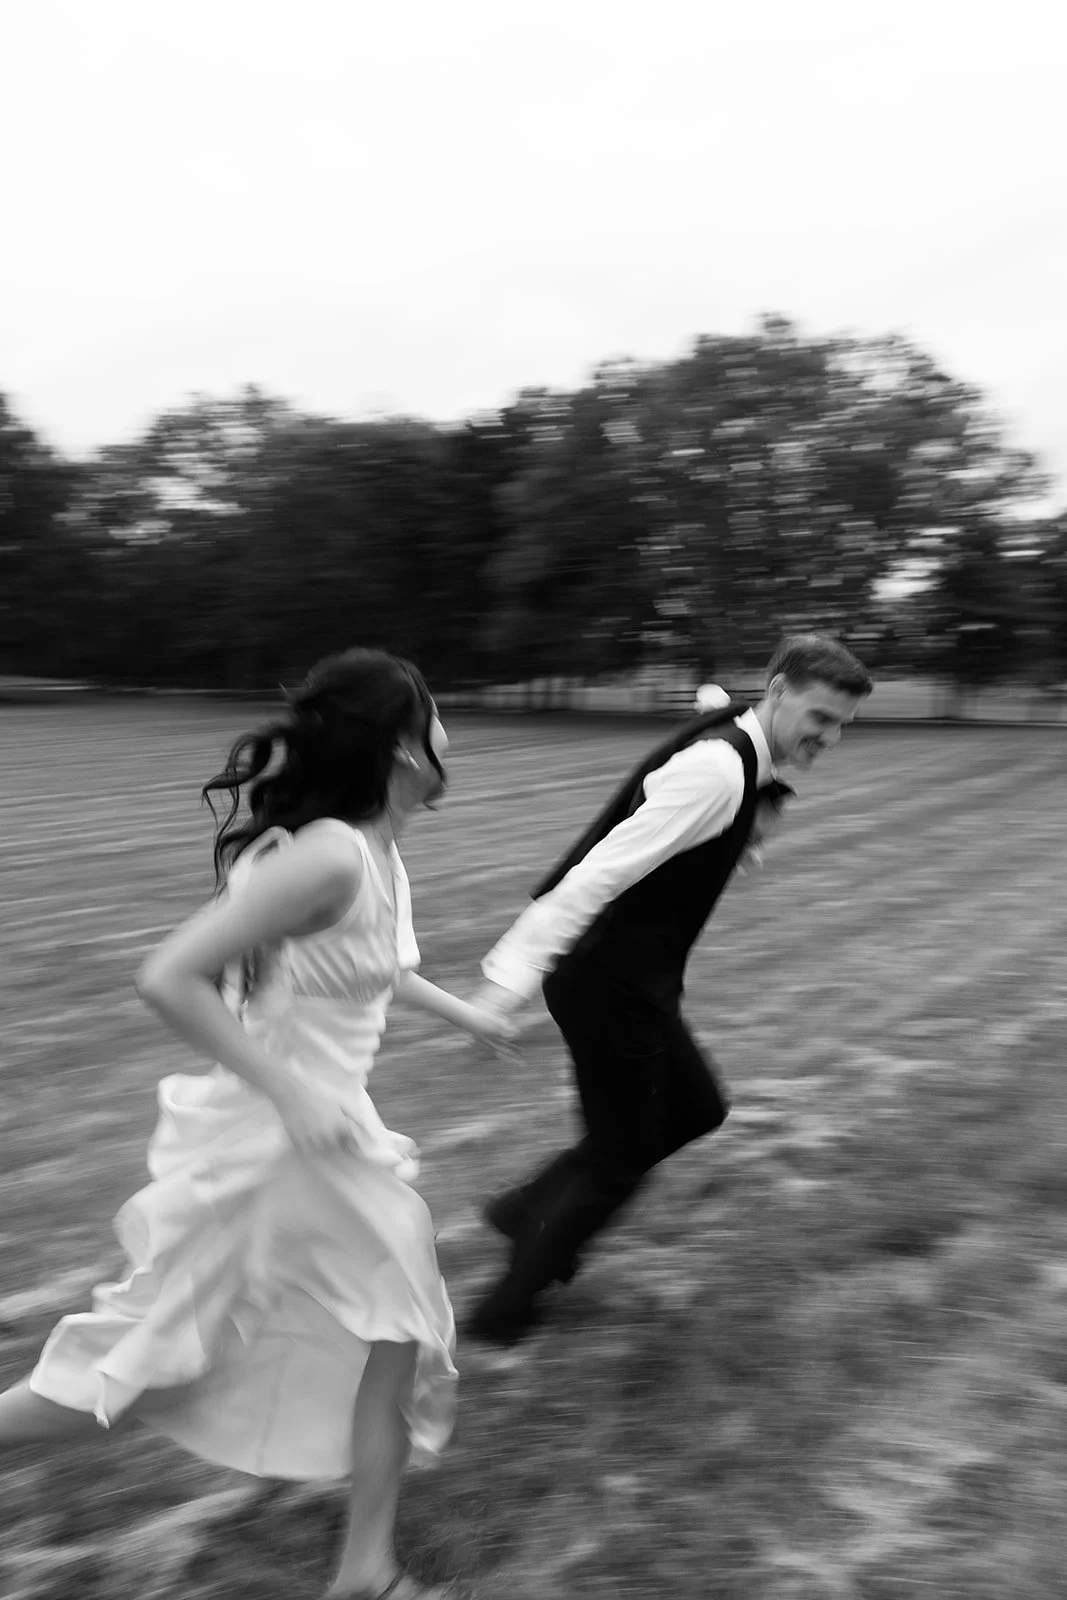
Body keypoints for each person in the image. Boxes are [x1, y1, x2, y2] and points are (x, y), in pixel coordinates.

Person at [0, 648, 515, 1600]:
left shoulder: (377, 851)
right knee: (153, 1357)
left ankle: (366, 1567)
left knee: (390, 1331)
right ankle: (366, 1568)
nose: (451, 735)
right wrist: (288, 1090)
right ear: (403, 748)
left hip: (326, 1140)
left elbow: (380, 970)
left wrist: (470, 1014)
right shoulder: (327, 853)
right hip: (277, 1147)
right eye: (438, 718)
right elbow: (167, 976)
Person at [466, 632, 872, 1344]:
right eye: (819, 717)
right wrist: (506, 980)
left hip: (634, 977)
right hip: (605, 979)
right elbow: (595, 873)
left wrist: (748, 832)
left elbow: (703, 813)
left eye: (842, 724)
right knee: (621, 1155)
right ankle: (505, 1308)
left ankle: (521, 1210)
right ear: (776, 694)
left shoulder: (740, 754)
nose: (829, 737)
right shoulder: (716, 770)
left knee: (694, 1107)